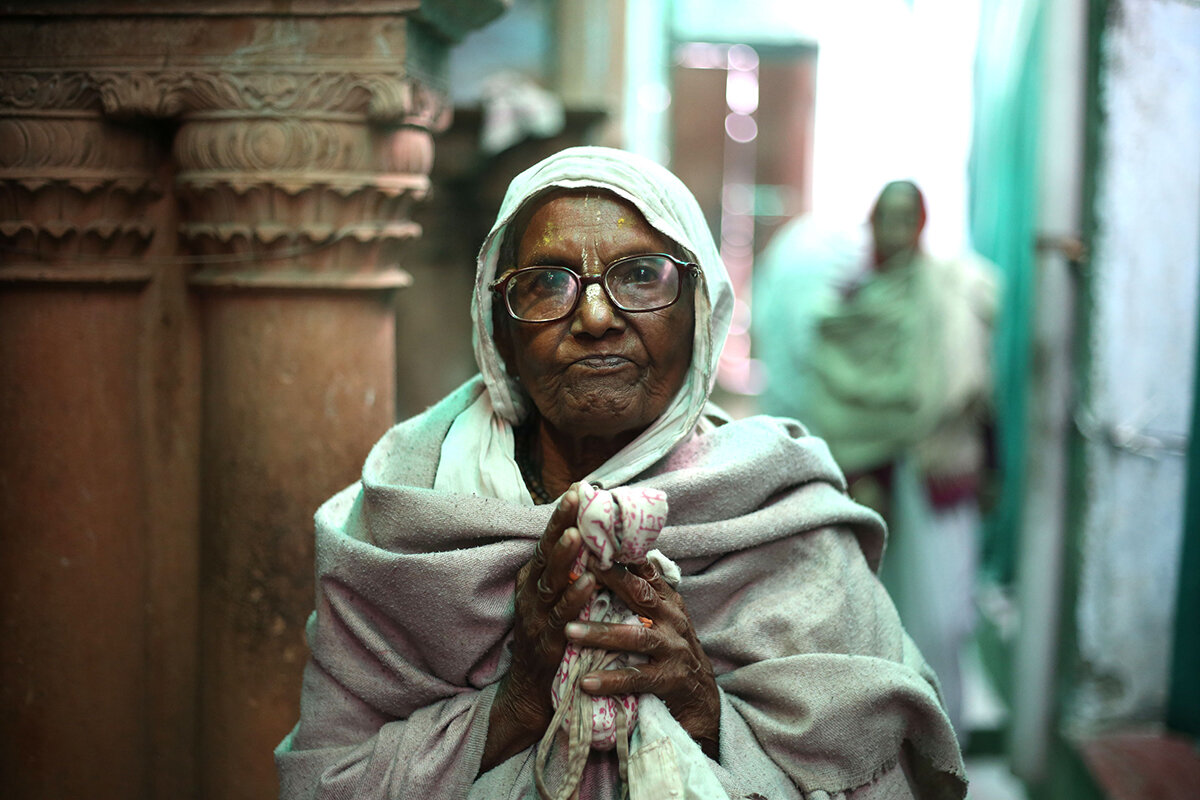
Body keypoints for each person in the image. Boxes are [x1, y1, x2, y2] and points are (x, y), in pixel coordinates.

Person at [275, 149, 966, 799]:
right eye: (547, 284)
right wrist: (516, 702)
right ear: (499, 328)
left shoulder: (779, 510)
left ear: (699, 309)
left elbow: (891, 768)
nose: (597, 317)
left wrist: (704, 704)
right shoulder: (411, 506)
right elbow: (327, 777)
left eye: (641, 275)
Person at [754, 180, 999, 740]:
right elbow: (831, 384)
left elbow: (974, 391)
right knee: (865, 623)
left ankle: (943, 749)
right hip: (867, 476)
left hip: (934, 477)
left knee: (940, 621)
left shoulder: (955, 290)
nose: (893, 231)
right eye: (883, 219)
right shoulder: (849, 301)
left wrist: (990, 466)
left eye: (904, 219)